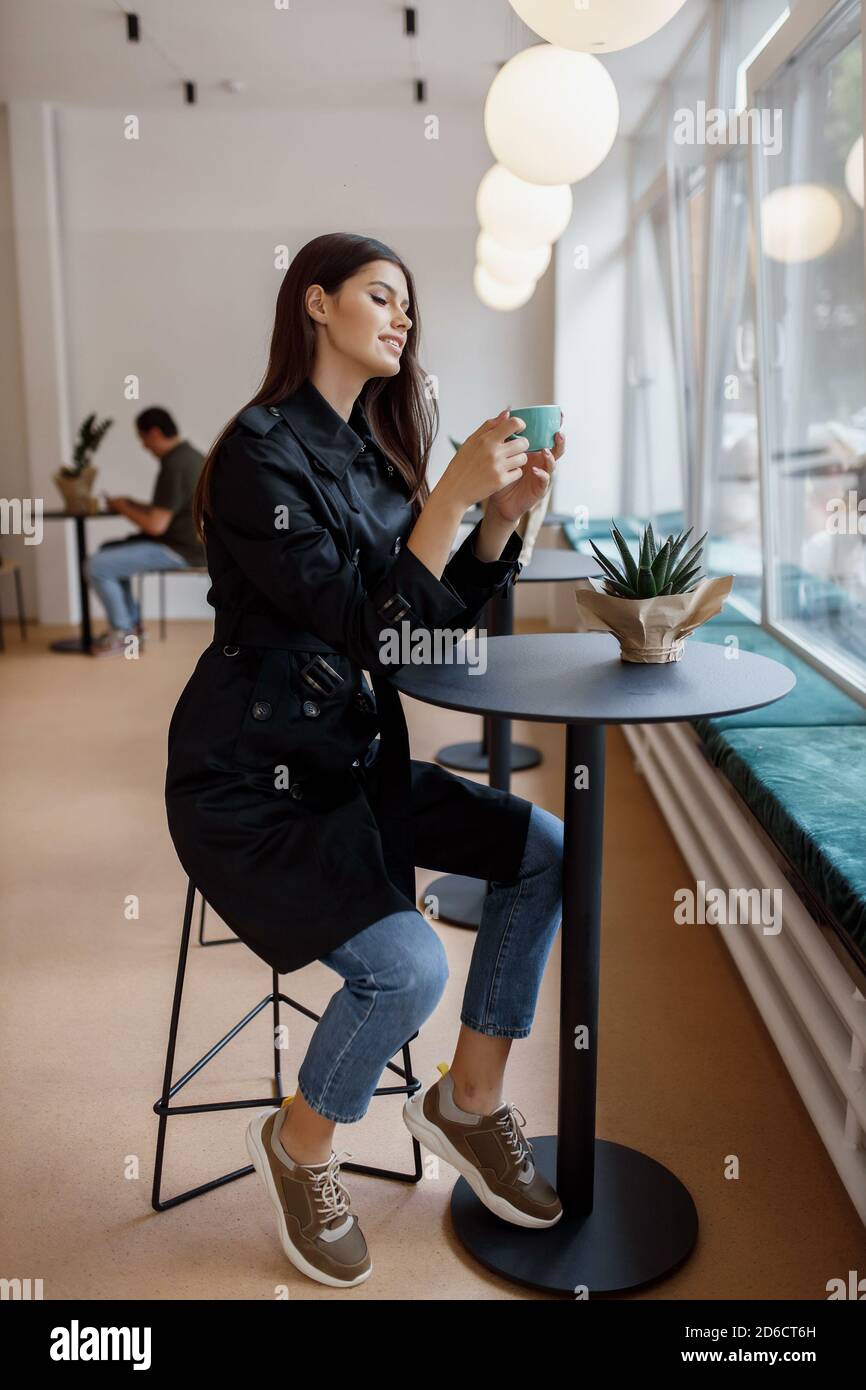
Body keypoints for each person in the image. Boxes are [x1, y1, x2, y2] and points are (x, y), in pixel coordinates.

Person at [164, 232, 567, 1290]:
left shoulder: (372, 454)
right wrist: (447, 507)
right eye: (379, 296)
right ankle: (300, 1146)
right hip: (254, 782)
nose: (399, 318)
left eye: (406, 307)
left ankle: (465, 1102)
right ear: (314, 304)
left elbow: (425, 629)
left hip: (355, 766)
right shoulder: (254, 452)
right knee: (410, 968)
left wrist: (493, 527)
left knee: (541, 848)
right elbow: (363, 627)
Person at [87, 407, 206, 655]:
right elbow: (166, 510)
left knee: (97, 565)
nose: (144, 447)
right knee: (109, 552)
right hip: (191, 544)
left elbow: (155, 525)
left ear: (153, 433)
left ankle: (122, 633)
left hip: (182, 550)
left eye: (142, 439)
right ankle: (132, 629)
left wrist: (122, 507)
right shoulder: (191, 456)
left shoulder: (175, 464)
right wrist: (130, 503)